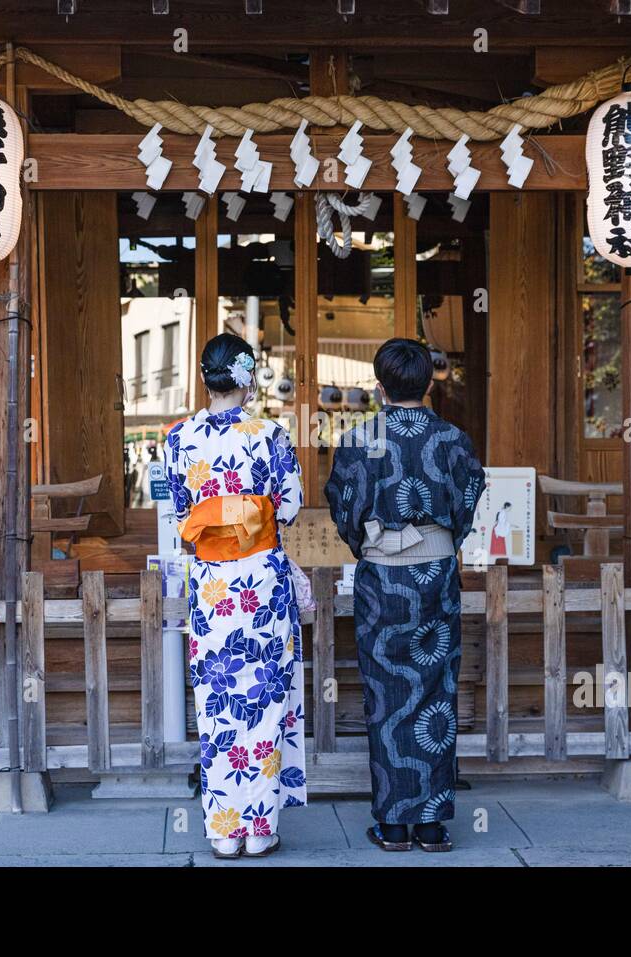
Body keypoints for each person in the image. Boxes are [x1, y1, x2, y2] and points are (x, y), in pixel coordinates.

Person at [324, 338, 485, 853]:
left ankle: (393, 824)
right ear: (431, 382)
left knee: (385, 695)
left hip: (382, 582)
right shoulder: (454, 440)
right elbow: (468, 499)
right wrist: (442, 541)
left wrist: (369, 544)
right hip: (436, 576)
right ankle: (433, 826)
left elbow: (343, 507)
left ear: (378, 386)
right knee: (436, 689)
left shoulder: (357, 440)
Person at [165, 333, 306, 860]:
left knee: (219, 703)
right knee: (265, 701)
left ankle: (224, 830)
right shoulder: (271, 434)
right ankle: (261, 826)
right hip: (262, 580)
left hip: (212, 581)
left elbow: (182, 512)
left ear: (205, 378)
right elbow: (288, 507)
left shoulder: (178, 438)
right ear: (247, 377)